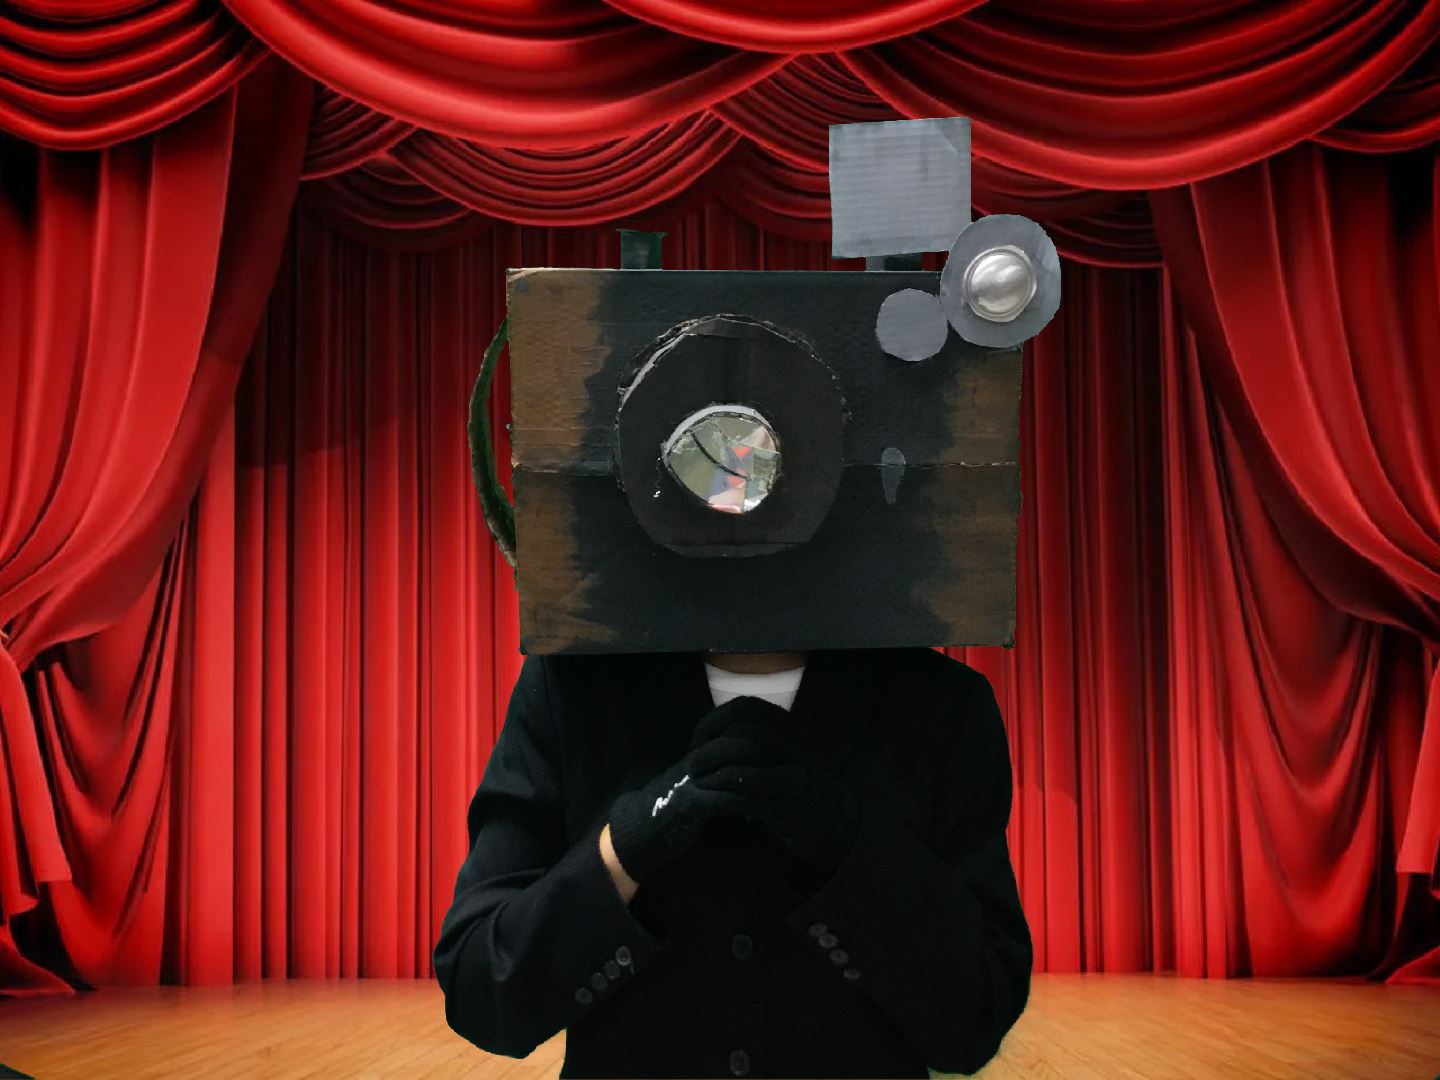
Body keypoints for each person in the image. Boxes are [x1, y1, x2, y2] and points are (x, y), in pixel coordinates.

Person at [433, 644, 1031, 1078]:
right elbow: (481, 989)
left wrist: (846, 845)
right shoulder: (568, 688)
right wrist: (631, 843)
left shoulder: (940, 702)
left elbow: (979, 1014)